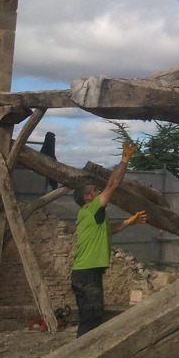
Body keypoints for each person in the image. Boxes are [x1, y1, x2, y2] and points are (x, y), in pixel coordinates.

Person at [71, 140, 147, 336]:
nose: (99, 192)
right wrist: (124, 159)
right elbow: (113, 183)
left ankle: (82, 348)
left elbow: (109, 230)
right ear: (88, 197)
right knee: (93, 315)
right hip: (87, 272)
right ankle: (82, 353)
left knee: (89, 315)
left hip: (84, 272)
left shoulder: (90, 217)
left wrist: (129, 221)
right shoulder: (91, 208)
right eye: (95, 191)